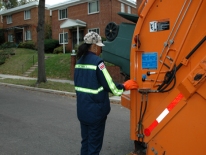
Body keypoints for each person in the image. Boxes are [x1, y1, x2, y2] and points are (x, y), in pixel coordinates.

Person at [74, 31, 138, 155]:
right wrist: (125, 86)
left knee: (86, 144)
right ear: (93, 46)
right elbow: (112, 87)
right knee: (94, 148)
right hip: (96, 114)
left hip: (82, 111)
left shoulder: (78, 63)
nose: (100, 51)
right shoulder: (98, 63)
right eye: (99, 47)